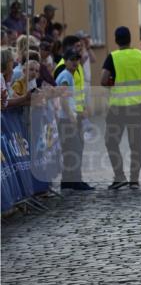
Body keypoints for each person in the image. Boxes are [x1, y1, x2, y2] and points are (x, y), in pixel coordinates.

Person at [101, 26, 141, 190]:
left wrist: (114, 83)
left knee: (111, 142)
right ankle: (134, 180)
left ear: (116, 40)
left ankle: (119, 177)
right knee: (136, 144)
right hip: (136, 107)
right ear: (130, 38)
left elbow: (103, 80)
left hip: (117, 108)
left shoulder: (112, 57)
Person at [55, 48, 95, 191]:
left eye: (77, 59)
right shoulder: (66, 76)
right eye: (71, 60)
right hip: (67, 118)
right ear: (65, 61)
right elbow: (63, 98)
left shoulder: (68, 75)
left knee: (70, 150)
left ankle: (68, 181)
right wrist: (71, 116)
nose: (75, 62)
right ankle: (75, 181)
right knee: (75, 149)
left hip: (68, 117)